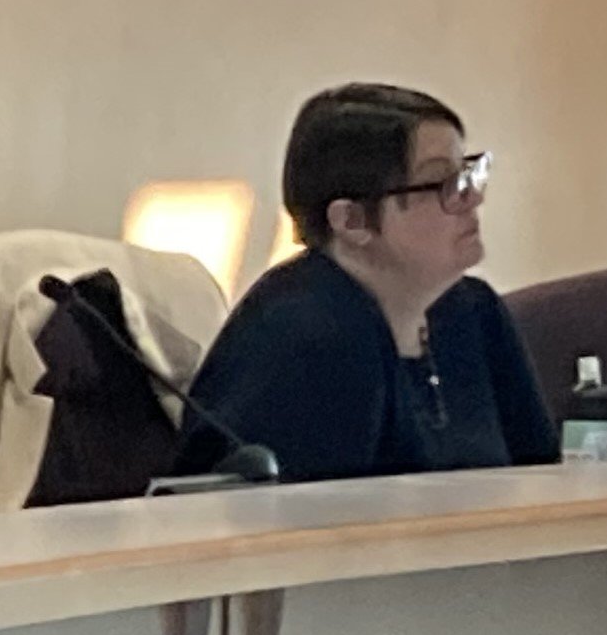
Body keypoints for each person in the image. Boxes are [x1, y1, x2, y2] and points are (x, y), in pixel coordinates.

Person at [177, 84, 557, 482]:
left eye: (469, 173)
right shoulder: (304, 337)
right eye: (442, 183)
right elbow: (316, 526)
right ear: (351, 221)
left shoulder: (474, 310)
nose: (472, 199)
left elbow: (542, 477)